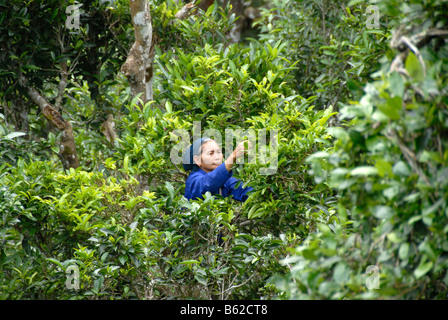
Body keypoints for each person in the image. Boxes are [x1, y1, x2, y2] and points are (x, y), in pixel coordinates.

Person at [182, 137, 254, 202]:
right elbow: (208, 184)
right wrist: (233, 157)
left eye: (219, 152)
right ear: (197, 160)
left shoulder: (226, 179)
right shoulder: (193, 179)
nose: (217, 157)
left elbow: (245, 191)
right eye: (211, 153)